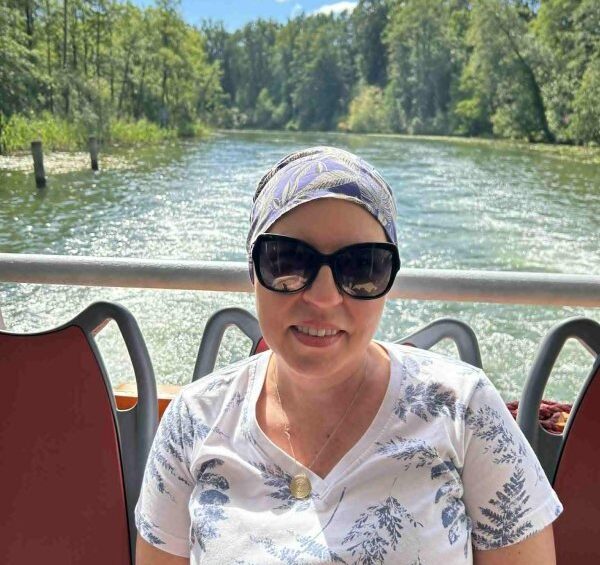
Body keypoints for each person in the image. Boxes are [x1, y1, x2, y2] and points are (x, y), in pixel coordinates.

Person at [135, 147, 562, 564]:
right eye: (288, 262)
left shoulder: (463, 409)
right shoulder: (194, 420)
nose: (323, 297)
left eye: (361, 268)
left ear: (388, 280)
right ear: (253, 270)